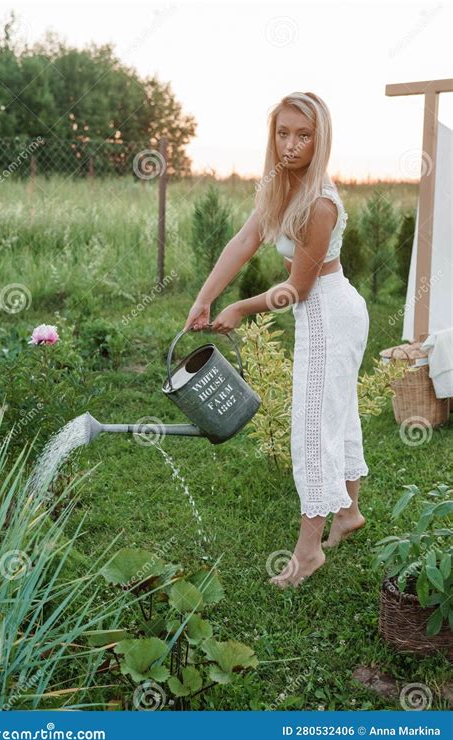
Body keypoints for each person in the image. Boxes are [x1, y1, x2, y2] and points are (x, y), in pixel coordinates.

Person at [184, 91, 369, 588]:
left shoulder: (320, 202)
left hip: (330, 310)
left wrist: (241, 308)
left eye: (303, 135)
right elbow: (244, 242)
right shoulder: (279, 188)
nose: (291, 144)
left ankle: (308, 553)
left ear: (319, 139)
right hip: (323, 308)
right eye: (283, 133)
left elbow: (298, 288)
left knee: (313, 423)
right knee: (336, 411)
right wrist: (206, 297)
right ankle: (347, 514)